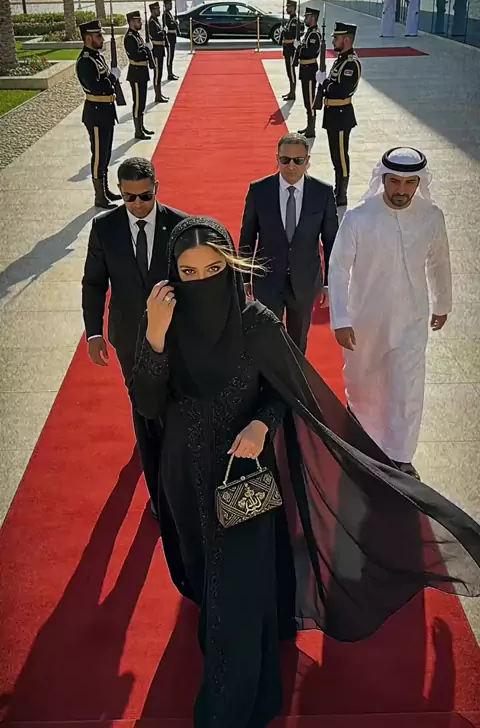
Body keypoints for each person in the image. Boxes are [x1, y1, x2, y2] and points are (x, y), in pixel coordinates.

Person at [132, 215, 480, 728]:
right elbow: (147, 402)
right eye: (188, 272)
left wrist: (261, 423)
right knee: (208, 573)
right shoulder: (167, 323)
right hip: (184, 476)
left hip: (244, 477)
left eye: (213, 269)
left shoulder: (256, 324)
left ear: (231, 268)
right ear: (173, 275)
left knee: (235, 586)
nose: (201, 280)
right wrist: (155, 336)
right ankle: (241, 636)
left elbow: (288, 392)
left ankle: (227, 710)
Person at [328, 147, 452, 479]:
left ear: (419, 183)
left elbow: (439, 262)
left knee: (407, 387)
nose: (401, 190)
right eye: (394, 181)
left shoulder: (431, 216)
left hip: (412, 318)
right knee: (365, 385)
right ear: (382, 179)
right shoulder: (359, 218)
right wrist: (341, 319)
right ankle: (366, 447)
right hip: (366, 320)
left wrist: (443, 303)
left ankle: (401, 456)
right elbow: (338, 269)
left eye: (409, 183)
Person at [82, 157, 186, 513]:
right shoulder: (105, 227)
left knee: (173, 407)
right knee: (144, 411)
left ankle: (179, 476)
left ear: (156, 187)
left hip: (174, 335)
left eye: (145, 196)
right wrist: (93, 332)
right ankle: (159, 495)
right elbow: (94, 282)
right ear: (120, 192)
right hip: (128, 336)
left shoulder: (180, 225)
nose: (138, 204)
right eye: (129, 197)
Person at [238, 132, 338, 352]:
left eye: (298, 160)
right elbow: (247, 236)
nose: (291, 166)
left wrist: (330, 283)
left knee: (298, 341)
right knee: (267, 338)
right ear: (277, 158)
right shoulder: (259, 190)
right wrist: (243, 278)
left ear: (307, 161)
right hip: (267, 280)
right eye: (285, 160)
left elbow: (331, 240)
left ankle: (296, 374)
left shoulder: (322, 192)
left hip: (305, 281)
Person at [314, 21, 361, 212]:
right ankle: (337, 189)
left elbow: (341, 90)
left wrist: (324, 83)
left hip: (341, 116)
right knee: (335, 155)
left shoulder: (351, 63)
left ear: (347, 40)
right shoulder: (340, 60)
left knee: (341, 157)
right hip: (333, 114)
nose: (334, 41)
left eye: (337, 38)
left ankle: (342, 194)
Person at [76, 19, 121, 210]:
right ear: (88, 38)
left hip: (106, 111)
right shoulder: (85, 61)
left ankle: (105, 189)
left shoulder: (96, 57)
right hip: (95, 114)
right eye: (98, 36)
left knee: (106, 153)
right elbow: (97, 87)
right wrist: (112, 78)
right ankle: (99, 197)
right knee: (98, 156)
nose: (101, 39)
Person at [123, 10, 155, 140]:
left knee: (142, 102)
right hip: (136, 73)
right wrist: (147, 49)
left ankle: (141, 126)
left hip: (142, 72)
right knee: (137, 103)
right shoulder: (130, 38)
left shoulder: (136, 35)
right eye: (138, 21)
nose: (140, 23)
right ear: (131, 22)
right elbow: (136, 55)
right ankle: (138, 131)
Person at [295, 5, 321, 138]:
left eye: (307, 17)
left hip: (310, 70)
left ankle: (312, 128)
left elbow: (310, 52)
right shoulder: (309, 33)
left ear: (313, 18)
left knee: (310, 101)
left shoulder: (314, 34)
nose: (305, 19)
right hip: (305, 70)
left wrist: (299, 48)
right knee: (307, 100)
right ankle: (309, 125)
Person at [148, 1, 169, 104]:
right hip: (156, 51)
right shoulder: (151, 22)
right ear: (153, 10)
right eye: (157, 9)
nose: (159, 11)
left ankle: (159, 93)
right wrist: (163, 32)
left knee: (159, 74)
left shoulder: (156, 21)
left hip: (160, 50)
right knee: (157, 74)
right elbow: (155, 36)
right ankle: (157, 95)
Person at [281, 0, 299, 101]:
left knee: (291, 72)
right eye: (287, 7)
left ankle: (293, 93)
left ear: (294, 8)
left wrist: (283, 31)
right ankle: (291, 91)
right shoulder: (290, 20)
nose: (287, 9)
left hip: (291, 50)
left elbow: (291, 34)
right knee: (289, 72)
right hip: (287, 49)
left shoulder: (294, 21)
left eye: (289, 7)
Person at [162, 0, 180, 81]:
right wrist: (175, 23)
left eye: (171, 4)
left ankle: (171, 73)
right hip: (169, 37)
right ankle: (169, 74)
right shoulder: (165, 15)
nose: (171, 6)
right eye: (169, 4)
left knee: (171, 56)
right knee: (169, 56)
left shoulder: (169, 14)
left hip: (172, 37)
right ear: (165, 5)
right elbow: (170, 25)